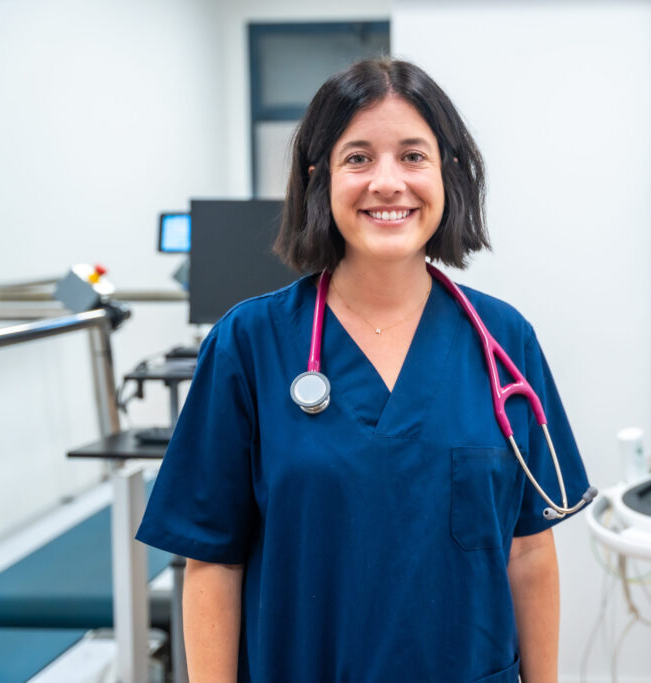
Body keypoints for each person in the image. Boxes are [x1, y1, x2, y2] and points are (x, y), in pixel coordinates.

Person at [137, 58, 591, 683]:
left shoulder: (503, 339)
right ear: (318, 177)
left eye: (412, 156)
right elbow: (212, 560)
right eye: (358, 158)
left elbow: (529, 549)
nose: (387, 182)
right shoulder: (249, 342)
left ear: (449, 173)